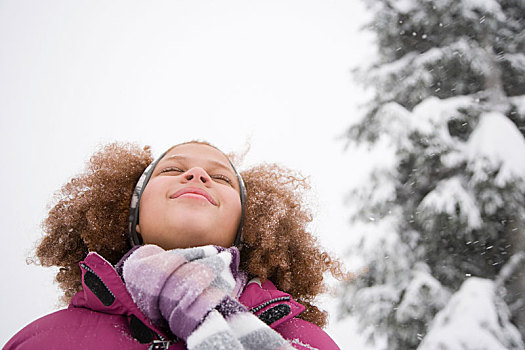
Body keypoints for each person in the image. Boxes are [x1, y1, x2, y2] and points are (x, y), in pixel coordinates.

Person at [5, 140, 345, 350]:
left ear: (246, 225)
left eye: (222, 178)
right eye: (171, 169)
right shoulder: (43, 341)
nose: (197, 174)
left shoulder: (306, 341)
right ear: (132, 214)